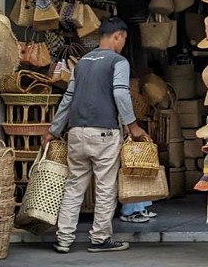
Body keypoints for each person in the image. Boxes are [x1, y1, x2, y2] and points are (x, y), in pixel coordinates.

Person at [43, 18, 150, 253]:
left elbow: (68, 99)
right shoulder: (118, 61)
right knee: (105, 186)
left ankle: (64, 239)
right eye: (123, 39)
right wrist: (133, 125)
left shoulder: (81, 64)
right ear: (118, 36)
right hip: (104, 133)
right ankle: (100, 238)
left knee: (74, 186)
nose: (123, 44)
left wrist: (54, 130)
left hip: (76, 133)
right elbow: (121, 95)